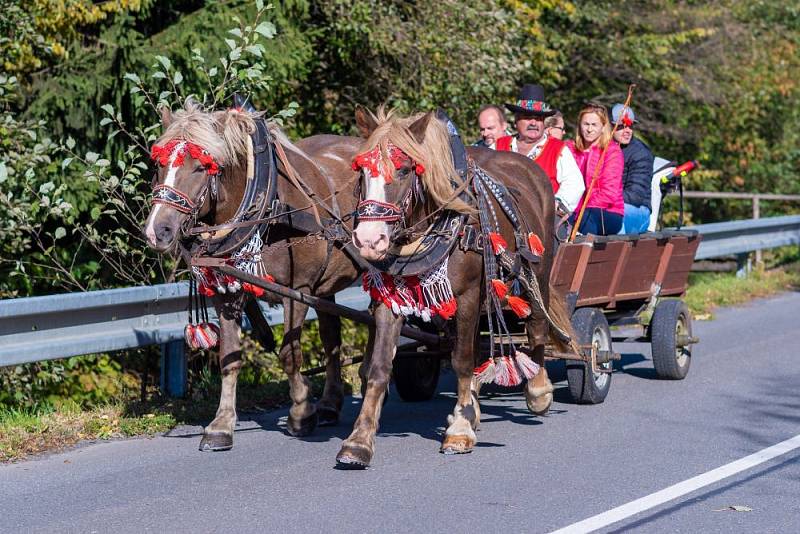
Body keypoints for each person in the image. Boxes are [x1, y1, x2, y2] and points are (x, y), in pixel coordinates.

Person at [494, 84, 584, 214]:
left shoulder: (558, 150)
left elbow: (575, 184)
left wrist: (556, 204)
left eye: (538, 118)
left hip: (543, 221)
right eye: (527, 117)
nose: (533, 123)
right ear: (516, 120)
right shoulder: (498, 146)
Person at [565, 103, 624, 235]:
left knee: (585, 217)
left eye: (594, 125)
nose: (589, 129)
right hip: (573, 208)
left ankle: (585, 253)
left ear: (603, 127)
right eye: (586, 124)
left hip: (607, 211)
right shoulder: (569, 148)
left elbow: (608, 193)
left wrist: (579, 209)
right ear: (580, 126)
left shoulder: (611, 152)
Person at [610, 103, 654, 234]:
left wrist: (605, 198)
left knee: (614, 215)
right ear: (610, 127)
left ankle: (615, 253)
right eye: (622, 126)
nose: (628, 130)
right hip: (609, 204)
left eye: (630, 126)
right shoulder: (603, 148)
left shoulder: (640, 153)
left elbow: (635, 196)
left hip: (638, 211)